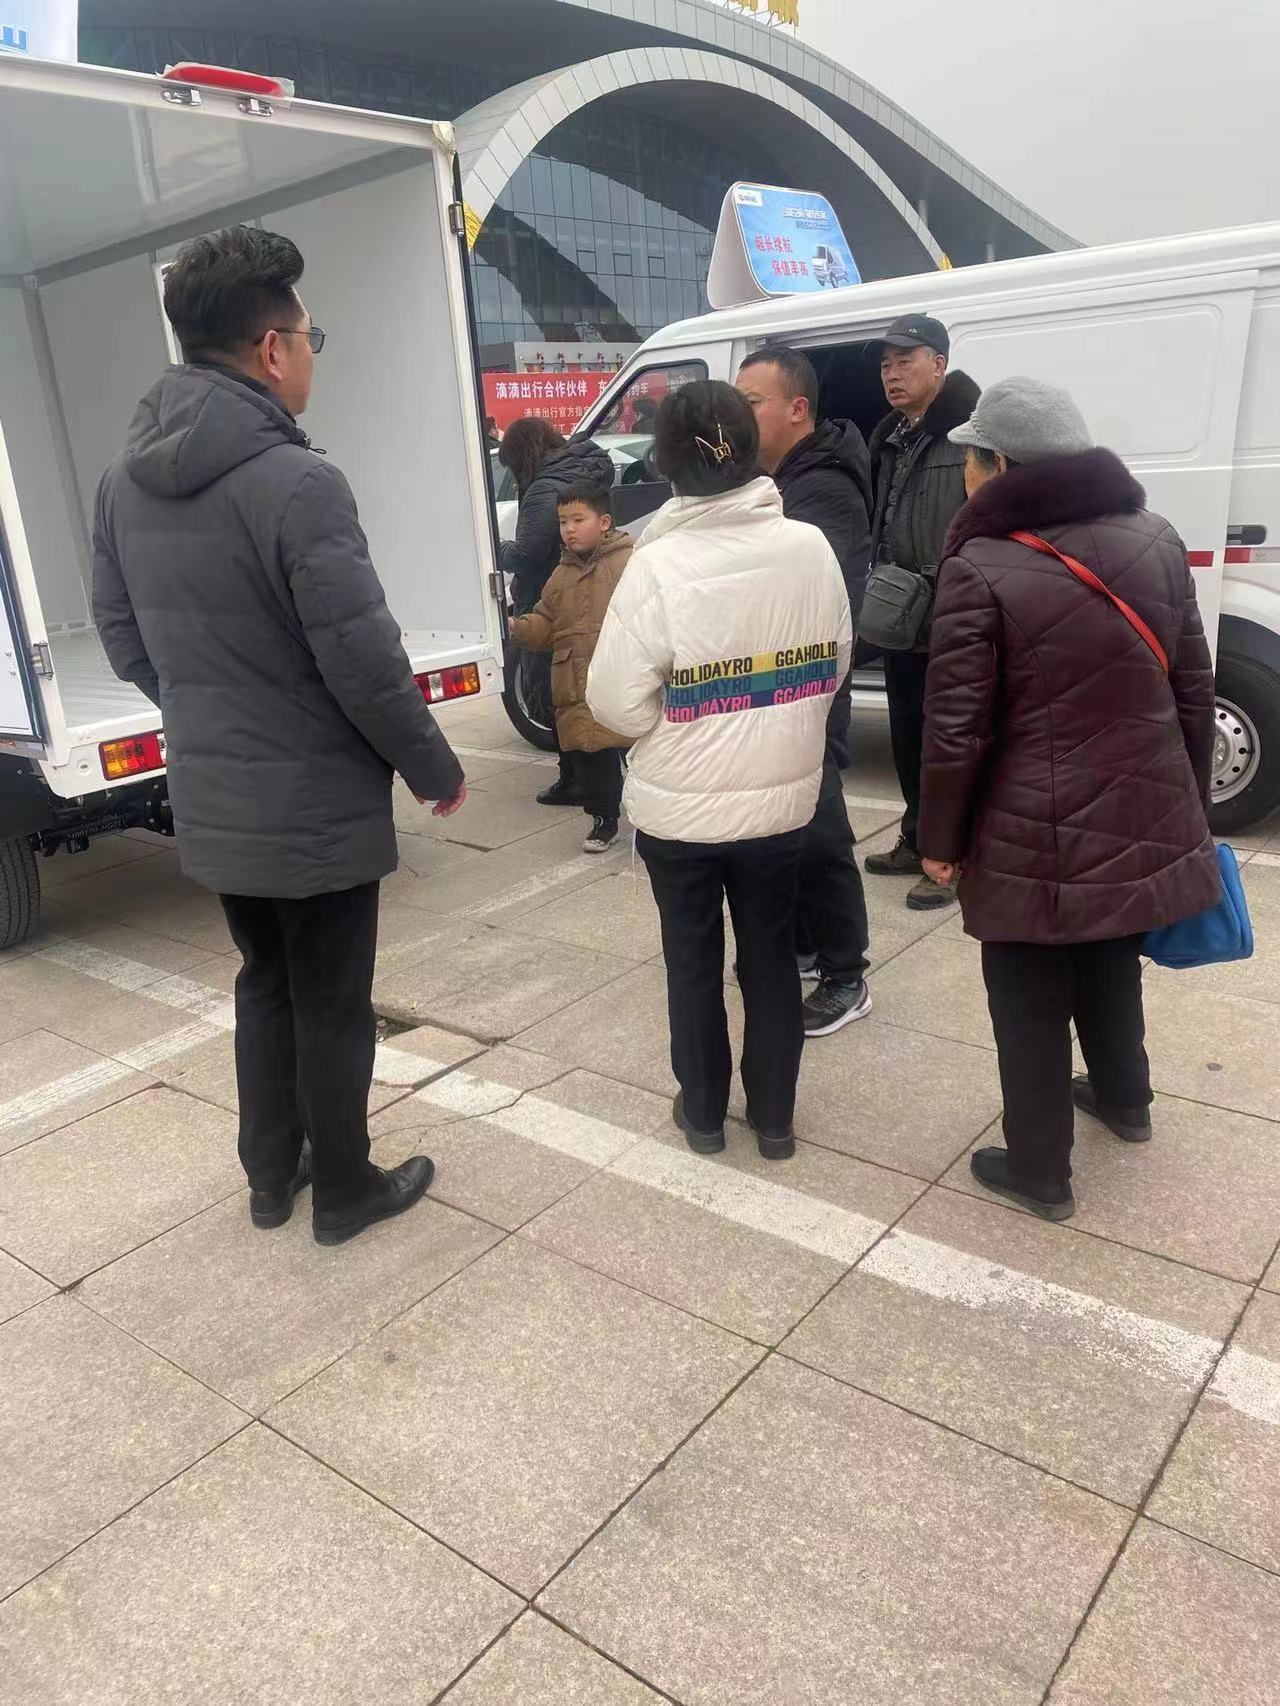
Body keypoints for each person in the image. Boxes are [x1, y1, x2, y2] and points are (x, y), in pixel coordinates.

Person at [92, 225, 467, 1248]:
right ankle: (343, 1189)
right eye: (310, 337)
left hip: (216, 794)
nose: (310, 355)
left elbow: (123, 638)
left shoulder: (122, 480)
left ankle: (271, 1175)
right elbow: (364, 661)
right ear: (271, 349)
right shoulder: (300, 483)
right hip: (314, 804)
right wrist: (433, 768)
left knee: (263, 980)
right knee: (332, 999)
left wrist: (205, 705)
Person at [918, 376, 1219, 1221]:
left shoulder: (980, 565)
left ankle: (1040, 1169)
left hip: (1030, 828)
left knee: (1026, 991)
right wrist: (1187, 808)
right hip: (1142, 809)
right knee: (1111, 955)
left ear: (1001, 464)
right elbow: (1193, 689)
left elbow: (955, 732)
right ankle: (1125, 1100)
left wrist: (938, 839)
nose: (964, 473)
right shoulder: (1156, 537)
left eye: (971, 458)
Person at [588, 381, 852, 1159]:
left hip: (681, 813)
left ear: (666, 464)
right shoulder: (810, 548)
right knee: (771, 962)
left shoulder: (656, 565)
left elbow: (613, 702)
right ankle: (775, 1120)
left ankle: (703, 1114)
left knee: (692, 963)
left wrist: (680, 724)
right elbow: (834, 663)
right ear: (753, 449)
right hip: (780, 806)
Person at [736, 347, 873, 1036]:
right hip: (776, 685)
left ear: (797, 409)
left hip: (809, 687)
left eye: (751, 402)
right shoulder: (782, 478)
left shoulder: (823, 489)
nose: (738, 417)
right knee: (787, 826)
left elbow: (793, 597)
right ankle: (806, 944)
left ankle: (847, 973)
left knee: (819, 830)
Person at [863, 314, 979, 910]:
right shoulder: (890, 436)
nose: (892, 373)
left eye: (905, 361)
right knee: (907, 736)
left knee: (949, 745)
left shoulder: (970, 432)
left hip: (954, 614)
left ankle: (949, 858)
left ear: (939, 363)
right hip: (900, 613)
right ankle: (915, 839)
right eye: (886, 364)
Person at [508, 480, 632, 853]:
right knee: (594, 759)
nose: (569, 529)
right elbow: (547, 621)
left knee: (639, 754)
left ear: (604, 522)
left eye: (579, 519)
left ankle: (655, 816)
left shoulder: (629, 562)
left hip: (623, 680)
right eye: (563, 522)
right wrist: (520, 627)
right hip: (578, 685)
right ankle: (604, 820)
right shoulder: (561, 574)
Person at [498, 417, 615, 803]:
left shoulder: (543, 488)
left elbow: (527, 555)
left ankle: (577, 782)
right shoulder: (582, 470)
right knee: (584, 693)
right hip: (586, 593)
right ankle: (588, 780)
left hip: (552, 595)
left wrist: (495, 546)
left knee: (557, 695)